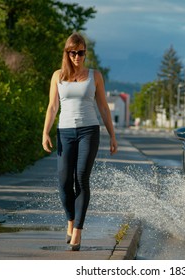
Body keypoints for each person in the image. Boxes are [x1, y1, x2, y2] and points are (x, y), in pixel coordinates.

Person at [42, 33, 117, 251]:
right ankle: (70, 220)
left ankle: (77, 232)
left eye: (81, 52)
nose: (77, 56)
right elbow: (52, 106)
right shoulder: (58, 76)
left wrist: (112, 135)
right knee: (64, 181)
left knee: (81, 178)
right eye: (73, 52)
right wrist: (45, 132)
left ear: (85, 53)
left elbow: (103, 107)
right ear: (67, 53)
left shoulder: (95, 76)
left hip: (89, 132)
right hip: (64, 132)